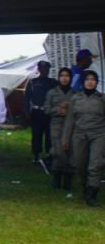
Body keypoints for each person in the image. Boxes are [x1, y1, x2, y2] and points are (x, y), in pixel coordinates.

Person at [61, 70, 105, 207]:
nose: (90, 82)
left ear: (97, 82)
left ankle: (92, 193)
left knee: (95, 165)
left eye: (93, 79)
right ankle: (86, 186)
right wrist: (65, 138)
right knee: (80, 164)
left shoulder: (102, 98)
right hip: (79, 135)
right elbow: (70, 120)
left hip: (98, 134)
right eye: (87, 79)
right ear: (83, 81)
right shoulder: (75, 98)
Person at [46, 67, 76, 191]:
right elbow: (46, 109)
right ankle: (57, 178)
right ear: (58, 78)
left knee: (70, 152)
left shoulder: (75, 94)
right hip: (56, 125)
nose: (64, 78)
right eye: (62, 76)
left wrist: (69, 110)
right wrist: (58, 110)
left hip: (71, 126)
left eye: (67, 76)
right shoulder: (52, 93)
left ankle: (68, 180)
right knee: (58, 152)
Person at [25, 60, 56, 167]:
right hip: (37, 112)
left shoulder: (53, 82)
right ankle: (36, 155)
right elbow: (27, 98)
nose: (44, 71)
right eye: (41, 69)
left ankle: (49, 154)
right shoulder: (32, 82)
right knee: (36, 134)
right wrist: (27, 111)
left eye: (46, 69)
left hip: (49, 112)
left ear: (48, 70)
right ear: (38, 69)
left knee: (49, 134)